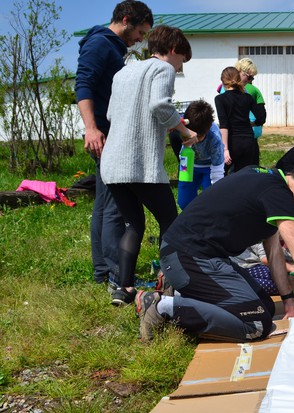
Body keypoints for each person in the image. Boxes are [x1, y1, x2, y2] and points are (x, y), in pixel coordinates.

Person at [134, 164, 294, 342]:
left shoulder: (268, 180)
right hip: (187, 257)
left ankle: (181, 292)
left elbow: (275, 254)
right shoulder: (280, 196)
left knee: (265, 308)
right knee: (256, 323)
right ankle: (163, 307)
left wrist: (289, 303)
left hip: (192, 255)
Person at [101, 25, 197, 306]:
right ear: (173, 50)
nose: (178, 69)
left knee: (133, 225)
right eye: (181, 61)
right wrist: (184, 130)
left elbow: (112, 113)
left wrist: (160, 125)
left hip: (113, 163)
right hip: (139, 163)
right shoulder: (162, 69)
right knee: (170, 220)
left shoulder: (124, 71)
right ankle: (169, 282)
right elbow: (159, 105)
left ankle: (124, 288)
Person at [75, 0, 153, 288]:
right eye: (140, 32)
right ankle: (116, 277)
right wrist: (91, 128)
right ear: (125, 19)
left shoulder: (114, 47)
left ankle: (103, 272)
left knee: (103, 203)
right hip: (104, 134)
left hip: (110, 132)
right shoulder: (100, 44)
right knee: (115, 207)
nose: (141, 39)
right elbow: (83, 85)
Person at [215, 66, 266, 173]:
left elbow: (224, 125)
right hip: (248, 141)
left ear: (223, 81)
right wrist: (252, 123)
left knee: (221, 174)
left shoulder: (220, 99)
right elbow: (261, 117)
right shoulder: (247, 97)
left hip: (232, 142)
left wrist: (225, 149)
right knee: (246, 176)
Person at [177, 100, 226, 210]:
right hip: (189, 166)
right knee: (184, 202)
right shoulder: (181, 125)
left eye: (198, 137)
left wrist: (217, 191)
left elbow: (218, 170)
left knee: (212, 200)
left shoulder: (214, 139)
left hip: (209, 168)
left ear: (207, 130)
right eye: (190, 135)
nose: (195, 140)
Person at [235, 58, 267, 140]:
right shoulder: (253, 90)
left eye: (252, 78)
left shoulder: (222, 89)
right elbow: (261, 117)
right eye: (249, 77)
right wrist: (252, 124)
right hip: (248, 135)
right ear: (239, 72)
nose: (250, 81)